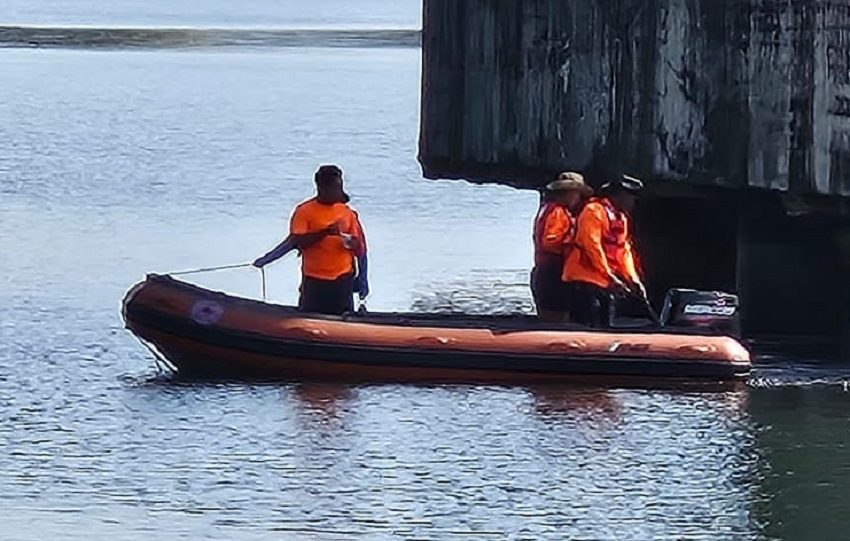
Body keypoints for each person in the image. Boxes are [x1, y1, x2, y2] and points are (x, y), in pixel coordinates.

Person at [253, 165, 368, 315]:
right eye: (335, 188)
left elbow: (361, 250)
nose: (339, 192)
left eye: (340, 186)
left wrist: (363, 280)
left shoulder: (348, 213)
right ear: (322, 188)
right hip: (314, 280)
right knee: (309, 319)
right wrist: (266, 260)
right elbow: (296, 242)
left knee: (343, 322)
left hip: (342, 280)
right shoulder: (304, 211)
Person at [563, 173, 646, 327]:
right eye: (630, 196)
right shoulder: (593, 211)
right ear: (618, 195)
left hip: (605, 282)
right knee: (586, 325)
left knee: (605, 324)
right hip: (584, 281)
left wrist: (633, 279)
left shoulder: (621, 218)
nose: (633, 201)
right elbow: (591, 246)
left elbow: (624, 251)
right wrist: (610, 276)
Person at [531, 172, 593, 322]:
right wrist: (576, 241)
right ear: (570, 193)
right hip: (553, 273)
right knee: (557, 320)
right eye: (577, 195)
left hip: (544, 271)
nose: (579, 199)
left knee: (549, 320)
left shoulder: (546, 209)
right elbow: (550, 242)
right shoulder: (557, 212)